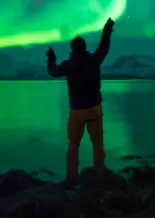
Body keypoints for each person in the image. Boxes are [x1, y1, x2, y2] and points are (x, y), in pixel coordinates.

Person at [46, 17, 115, 185]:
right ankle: (100, 175)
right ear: (84, 47)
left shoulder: (68, 65)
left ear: (72, 49)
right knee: (98, 144)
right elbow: (104, 46)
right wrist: (107, 28)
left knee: (73, 144)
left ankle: (71, 178)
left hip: (76, 110)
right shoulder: (93, 60)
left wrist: (51, 58)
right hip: (94, 108)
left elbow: (53, 72)